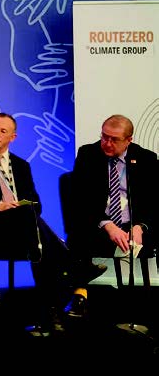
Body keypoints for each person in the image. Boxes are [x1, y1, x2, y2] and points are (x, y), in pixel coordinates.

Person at [0, 112, 106, 335]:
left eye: (3, 131)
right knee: (34, 233)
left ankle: (51, 313)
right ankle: (70, 272)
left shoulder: (21, 165)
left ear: (13, 137)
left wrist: (21, 207)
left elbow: (36, 204)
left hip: (22, 228)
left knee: (35, 238)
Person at [67, 114, 157, 318]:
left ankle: (145, 308)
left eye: (114, 139)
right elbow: (80, 199)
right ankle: (79, 294)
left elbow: (154, 201)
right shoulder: (88, 154)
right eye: (104, 136)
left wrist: (140, 226)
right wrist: (107, 225)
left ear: (129, 140)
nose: (106, 143)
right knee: (78, 233)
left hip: (133, 225)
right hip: (98, 224)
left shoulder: (146, 159)